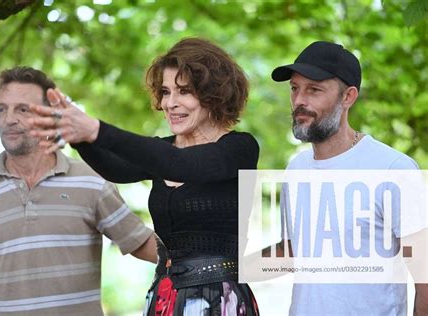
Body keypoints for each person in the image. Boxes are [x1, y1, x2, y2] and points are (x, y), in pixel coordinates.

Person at [29, 38, 260, 315]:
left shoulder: (239, 148)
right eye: (165, 92)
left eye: (183, 91)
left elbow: (181, 165)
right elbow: (115, 168)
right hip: (165, 297)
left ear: (213, 94)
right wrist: (76, 135)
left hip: (220, 301)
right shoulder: (163, 150)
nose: (170, 103)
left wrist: (96, 130)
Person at [0, 67, 157, 315]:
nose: (8, 119)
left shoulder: (91, 180)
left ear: (49, 116)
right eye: (1, 108)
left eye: (22, 109)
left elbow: (140, 242)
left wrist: (208, 258)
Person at [271, 41, 428, 315]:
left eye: (314, 90)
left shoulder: (393, 169)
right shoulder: (296, 169)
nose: (299, 101)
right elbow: (295, 250)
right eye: (294, 88)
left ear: (348, 97)